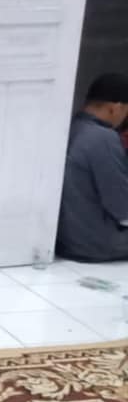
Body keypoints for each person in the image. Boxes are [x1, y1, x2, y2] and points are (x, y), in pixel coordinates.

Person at [56, 72, 128, 261]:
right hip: (95, 244)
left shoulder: (69, 127)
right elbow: (122, 208)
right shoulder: (104, 138)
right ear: (115, 108)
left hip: (64, 240)